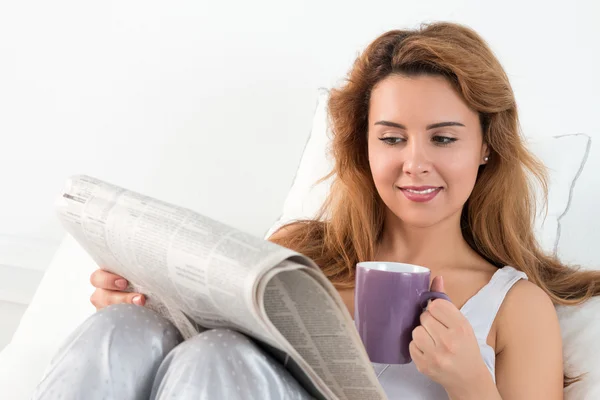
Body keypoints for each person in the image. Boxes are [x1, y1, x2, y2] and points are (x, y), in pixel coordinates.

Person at [35, 21, 600, 399]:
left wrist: (473, 384)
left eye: (444, 139)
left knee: (220, 354)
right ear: (366, 146)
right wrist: (143, 296)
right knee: (126, 327)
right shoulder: (297, 251)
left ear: (485, 148)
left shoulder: (514, 305)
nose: (415, 163)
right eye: (393, 138)